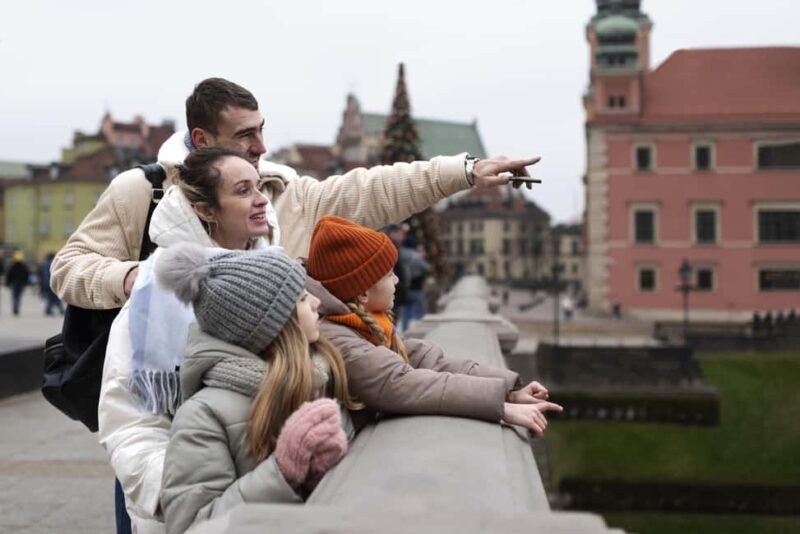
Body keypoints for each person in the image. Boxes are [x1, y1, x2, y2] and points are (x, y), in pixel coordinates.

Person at [51, 77, 541, 312]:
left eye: (262, 130)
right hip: (158, 405)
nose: (262, 146)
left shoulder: (284, 191)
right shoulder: (144, 191)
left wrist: (466, 170)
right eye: (245, 135)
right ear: (202, 141)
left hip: (263, 408)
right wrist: (133, 278)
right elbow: (68, 267)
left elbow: (373, 190)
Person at [98, 147, 283, 534]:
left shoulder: (279, 278)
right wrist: (183, 496)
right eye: (244, 190)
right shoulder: (156, 295)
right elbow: (129, 421)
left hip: (271, 497)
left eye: (260, 186)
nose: (262, 198)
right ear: (207, 211)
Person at [155, 244, 358, 534]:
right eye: (301, 298)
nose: (316, 302)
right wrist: (284, 471)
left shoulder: (318, 377)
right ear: (272, 325)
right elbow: (191, 526)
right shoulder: (202, 416)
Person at [306, 216, 563, 436]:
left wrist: (509, 390)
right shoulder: (336, 336)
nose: (397, 280)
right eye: (388, 274)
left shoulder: (361, 324)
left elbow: (425, 362)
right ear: (362, 292)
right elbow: (400, 383)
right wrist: (502, 408)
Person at [5, 250, 30, 316]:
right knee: (19, 296)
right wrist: (26, 283)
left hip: (14, 283)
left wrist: (7, 283)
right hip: (21, 283)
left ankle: (15, 305)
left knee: (14, 296)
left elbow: (9, 275)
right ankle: (17, 306)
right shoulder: (24, 266)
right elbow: (26, 275)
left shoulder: (12, 266)